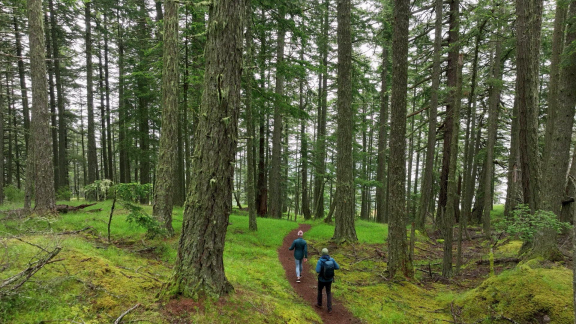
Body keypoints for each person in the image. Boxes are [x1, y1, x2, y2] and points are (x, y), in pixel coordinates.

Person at [315, 248, 340, 314]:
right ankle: (329, 308)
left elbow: (317, 270)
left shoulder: (320, 261)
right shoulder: (332, 259)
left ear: (322, 253)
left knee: (320, 291)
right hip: (329, 280)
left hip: (321, 280)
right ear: (328, 253)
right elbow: (337, 267)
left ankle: (319, 304)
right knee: (328, 293)